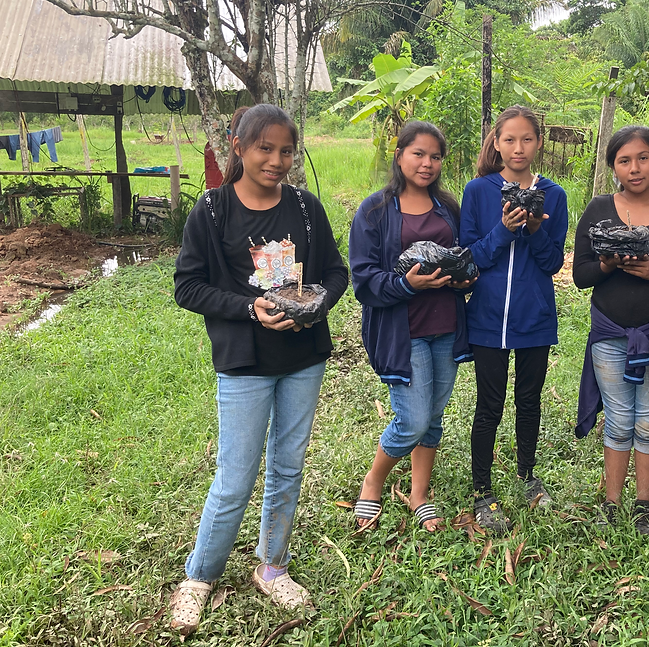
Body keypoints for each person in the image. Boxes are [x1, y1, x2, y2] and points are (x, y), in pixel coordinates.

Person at [171, 104, 348, 635]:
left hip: (302, 359)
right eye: (264, 148)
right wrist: (251, 309)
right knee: (235, 477)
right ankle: (200, 578)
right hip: (245, 363)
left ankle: (272, 567)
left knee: (288, 467)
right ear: (239, 146)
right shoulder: (213, 209)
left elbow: (336, 273)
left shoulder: (306, 207)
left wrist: (313, 306)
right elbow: (188, 286)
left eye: (286, 150)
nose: (276, 160)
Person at [348, 121, 476, 533]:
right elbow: (363, 281)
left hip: (447, 325)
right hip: (403, 332)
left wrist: (466, 278)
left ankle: (420, 494)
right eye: (418, 153)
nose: (427, 163)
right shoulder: (374, 211)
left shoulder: (448, 208)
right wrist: (407, 284)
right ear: (399, 154)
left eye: (435, 156)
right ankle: (374, 481)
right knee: (412, 420)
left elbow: (465, 256)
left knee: (434, 416)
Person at [573, 125, 649, 534]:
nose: (635, 168)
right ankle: (611, 502)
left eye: (643, 158)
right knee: (619, 419)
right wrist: (609, 263)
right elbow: (580, 276)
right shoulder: (597, 210)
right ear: (613, 167)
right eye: (624, 161)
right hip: (610, 333)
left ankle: (644, 503)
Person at [460, 105, 568, 533]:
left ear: (538, 143)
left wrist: (536, 227)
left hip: (534, 317)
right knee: (489, 405)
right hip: (487, 316)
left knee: (529, 399)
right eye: (509, 139)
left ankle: (526, 475)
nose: (518, 148)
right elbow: (472, 258)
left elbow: (552, 262)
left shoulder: (554, 195)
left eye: (526, 139)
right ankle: (483, 491)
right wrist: (505, 229)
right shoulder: (479, 191)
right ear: (496, 143)